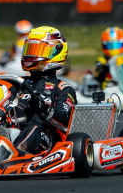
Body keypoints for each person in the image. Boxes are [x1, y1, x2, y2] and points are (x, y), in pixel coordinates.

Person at [14, 26, 77, 155]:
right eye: (29, 49)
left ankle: (14, 154)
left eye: (36, 50)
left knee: (33, 129)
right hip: (13, 131)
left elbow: (63, 119)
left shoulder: (63, 88)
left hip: (44, 138)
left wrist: (44, 109)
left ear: (55, 52)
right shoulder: (17, 82)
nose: (30, 55)